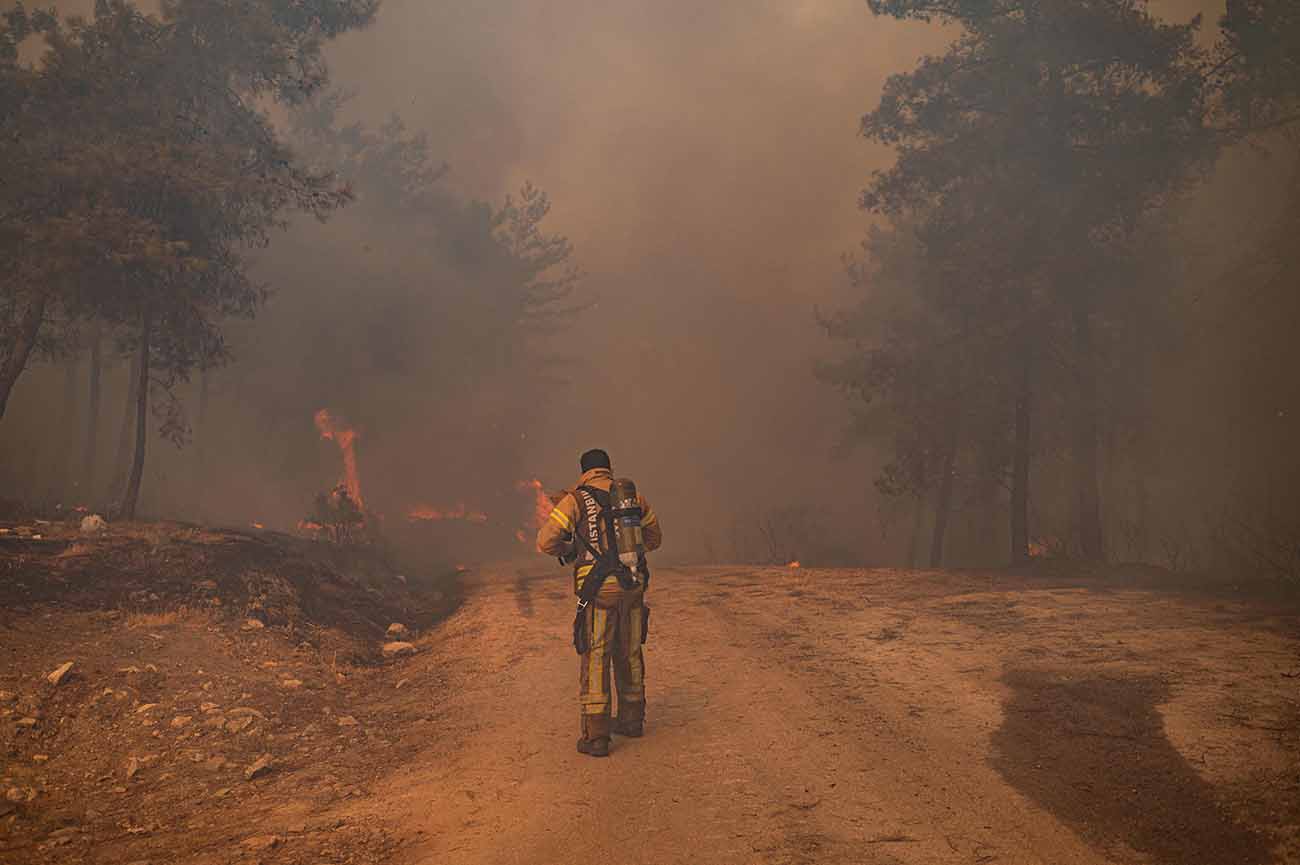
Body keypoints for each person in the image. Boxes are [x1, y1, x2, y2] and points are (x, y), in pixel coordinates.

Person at [535, 448, 663, 757]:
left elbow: (545, 542)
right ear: (609, 469)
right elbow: (654, 538)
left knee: (596, 658)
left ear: (584, 472)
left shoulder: (575, 501)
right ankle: (632, 720)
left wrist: (571, 550)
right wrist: (628, 553)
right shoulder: (632, 498)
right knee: (630, 652)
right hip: (633, 586)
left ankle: (596, 736)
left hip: (599, 592)